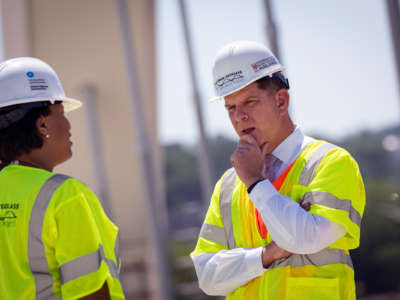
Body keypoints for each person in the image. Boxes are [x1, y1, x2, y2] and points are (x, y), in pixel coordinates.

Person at [191, 40, 365, 300]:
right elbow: (207, 276)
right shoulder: (227, 185)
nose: (239, 117)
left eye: (249, 102)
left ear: (281, 101)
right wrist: (265, 255)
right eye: (230, 107)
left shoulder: (331, 163)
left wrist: (255, 182)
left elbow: (304, 240)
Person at [0, 57, 125, 299]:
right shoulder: (65, 195)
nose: (68, 125)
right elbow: (90, 292)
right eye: (61, 112)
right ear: (43, 124)